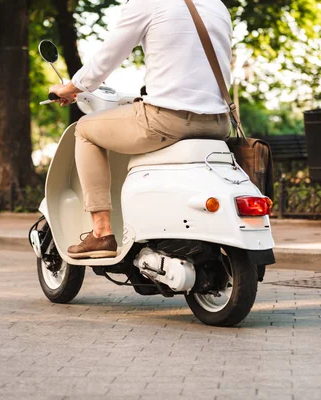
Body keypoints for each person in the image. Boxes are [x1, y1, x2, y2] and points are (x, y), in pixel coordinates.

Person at [49, 0, 233, 259]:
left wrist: (71, 88)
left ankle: (101, 232)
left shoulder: (147, 2)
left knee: (85, 130)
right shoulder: (216, 5)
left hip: (168, 119)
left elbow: (107, 57)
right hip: (218, 122)